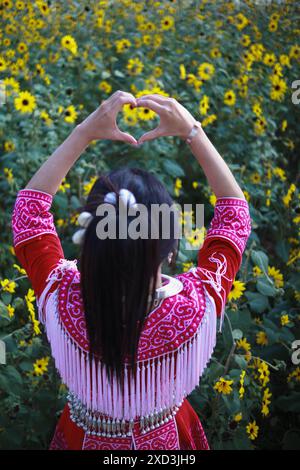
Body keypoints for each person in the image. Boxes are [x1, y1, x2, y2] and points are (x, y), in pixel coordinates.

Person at [11, 91, 251, 450]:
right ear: (170, 251)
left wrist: (83, 133)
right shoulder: (194, 306)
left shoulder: (62, 297)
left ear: (89, 241)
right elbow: (234, 215)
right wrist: (192, 132)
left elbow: (28, 213)